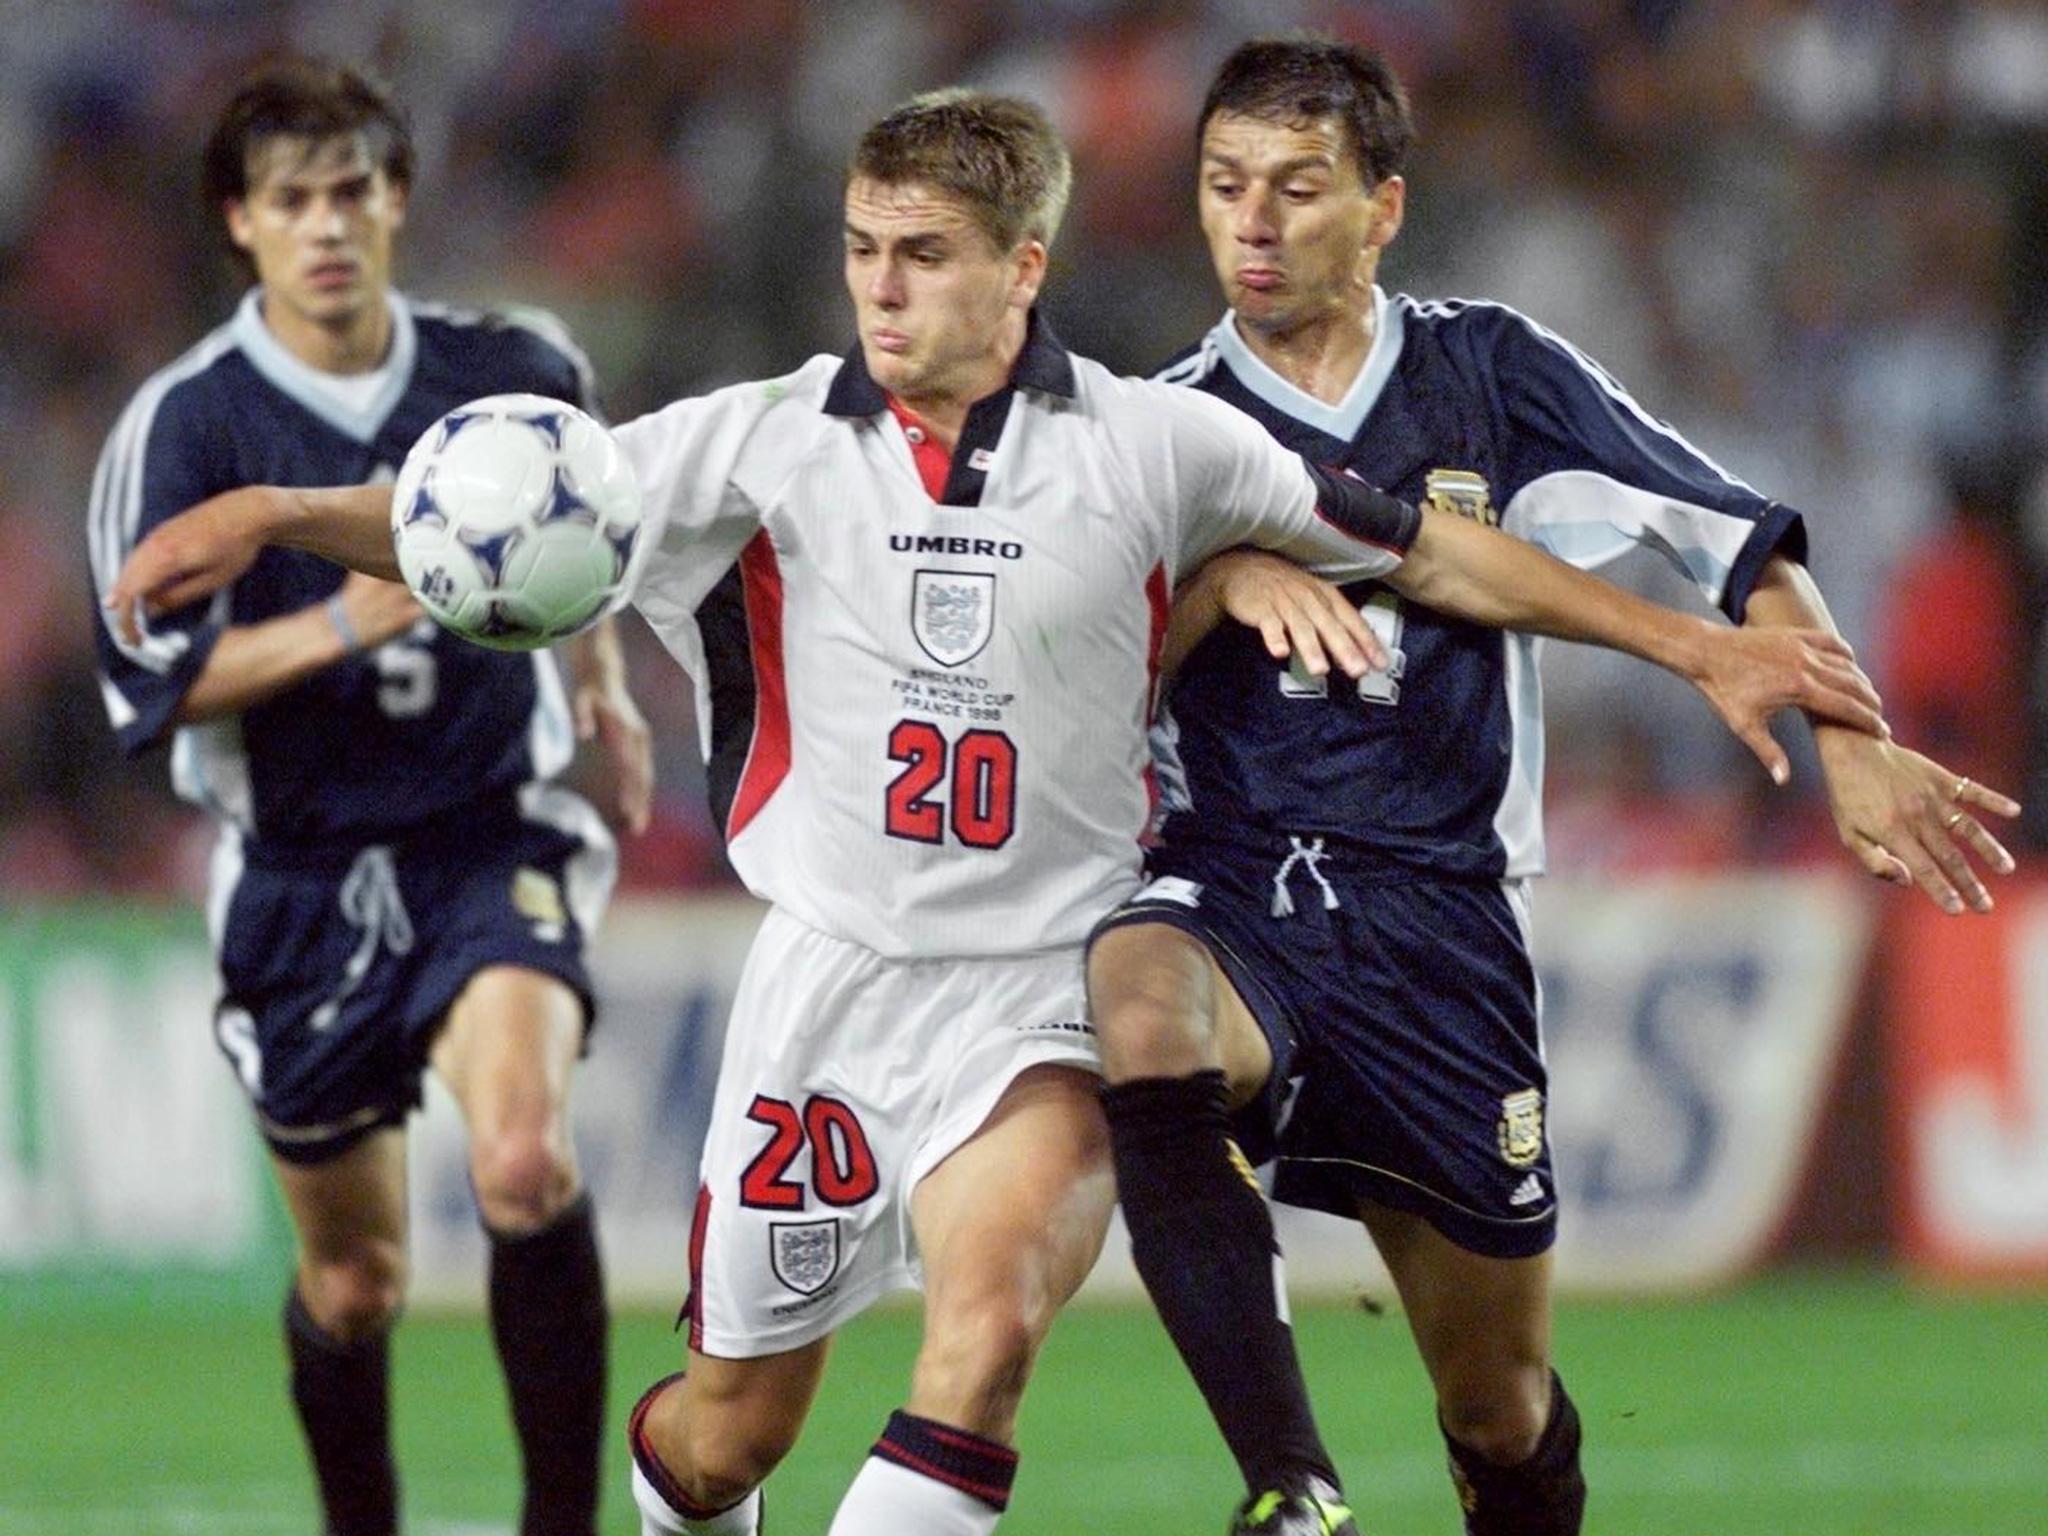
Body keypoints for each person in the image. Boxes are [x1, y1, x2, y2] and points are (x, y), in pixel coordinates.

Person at [106, 89, 1885, 1536]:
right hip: (826, 982)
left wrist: (1685, 645)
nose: (881, 291)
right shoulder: (763, 443)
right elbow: (493, 511)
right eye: (865, 253)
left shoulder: (1154, 447)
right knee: (727, 1432)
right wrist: (272, 511)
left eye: (925, 258)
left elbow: (1441, 550)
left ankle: (1288, 1479)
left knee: (983, 1344)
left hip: (1045, 977)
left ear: (1021, 266)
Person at [1086, 35, 2024, 1536]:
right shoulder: (1153, 425)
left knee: (1497, 1404)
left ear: (1385, 207)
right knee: (1138, 1006)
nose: (1253, 224)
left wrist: (1848, 745)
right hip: (1239, 880)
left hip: (1443, 918)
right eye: (1224, 187)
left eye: (1298, 188)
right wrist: (1223, 574)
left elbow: (1735, 544)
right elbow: (1089, 688)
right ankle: (1291, 1482)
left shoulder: (1488, 373)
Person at [86, 58, 653, 1536]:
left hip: (490, 828)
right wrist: (360, 615)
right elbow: (145, 681)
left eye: (353, 191)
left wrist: (595, 686)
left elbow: (579, 542)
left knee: (526, 1160)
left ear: (398, 200)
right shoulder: (187, 426)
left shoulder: (518, 364)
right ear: (242, 224)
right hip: (300, 872)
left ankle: (561, 1525)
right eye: (293, 201)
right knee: (356, 1281)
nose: (328, 225)